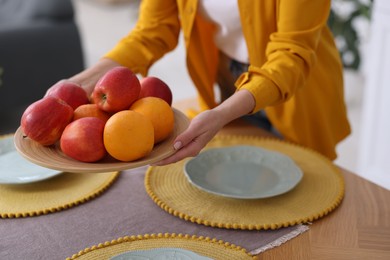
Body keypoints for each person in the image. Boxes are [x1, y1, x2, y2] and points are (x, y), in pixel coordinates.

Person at [58, 0, 351, 165]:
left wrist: (222, 114)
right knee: (242, 175)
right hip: (228, 80)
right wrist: (84, 79)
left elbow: (292, 54)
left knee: (306, 184)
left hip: (297, 89)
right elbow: (153, 30)